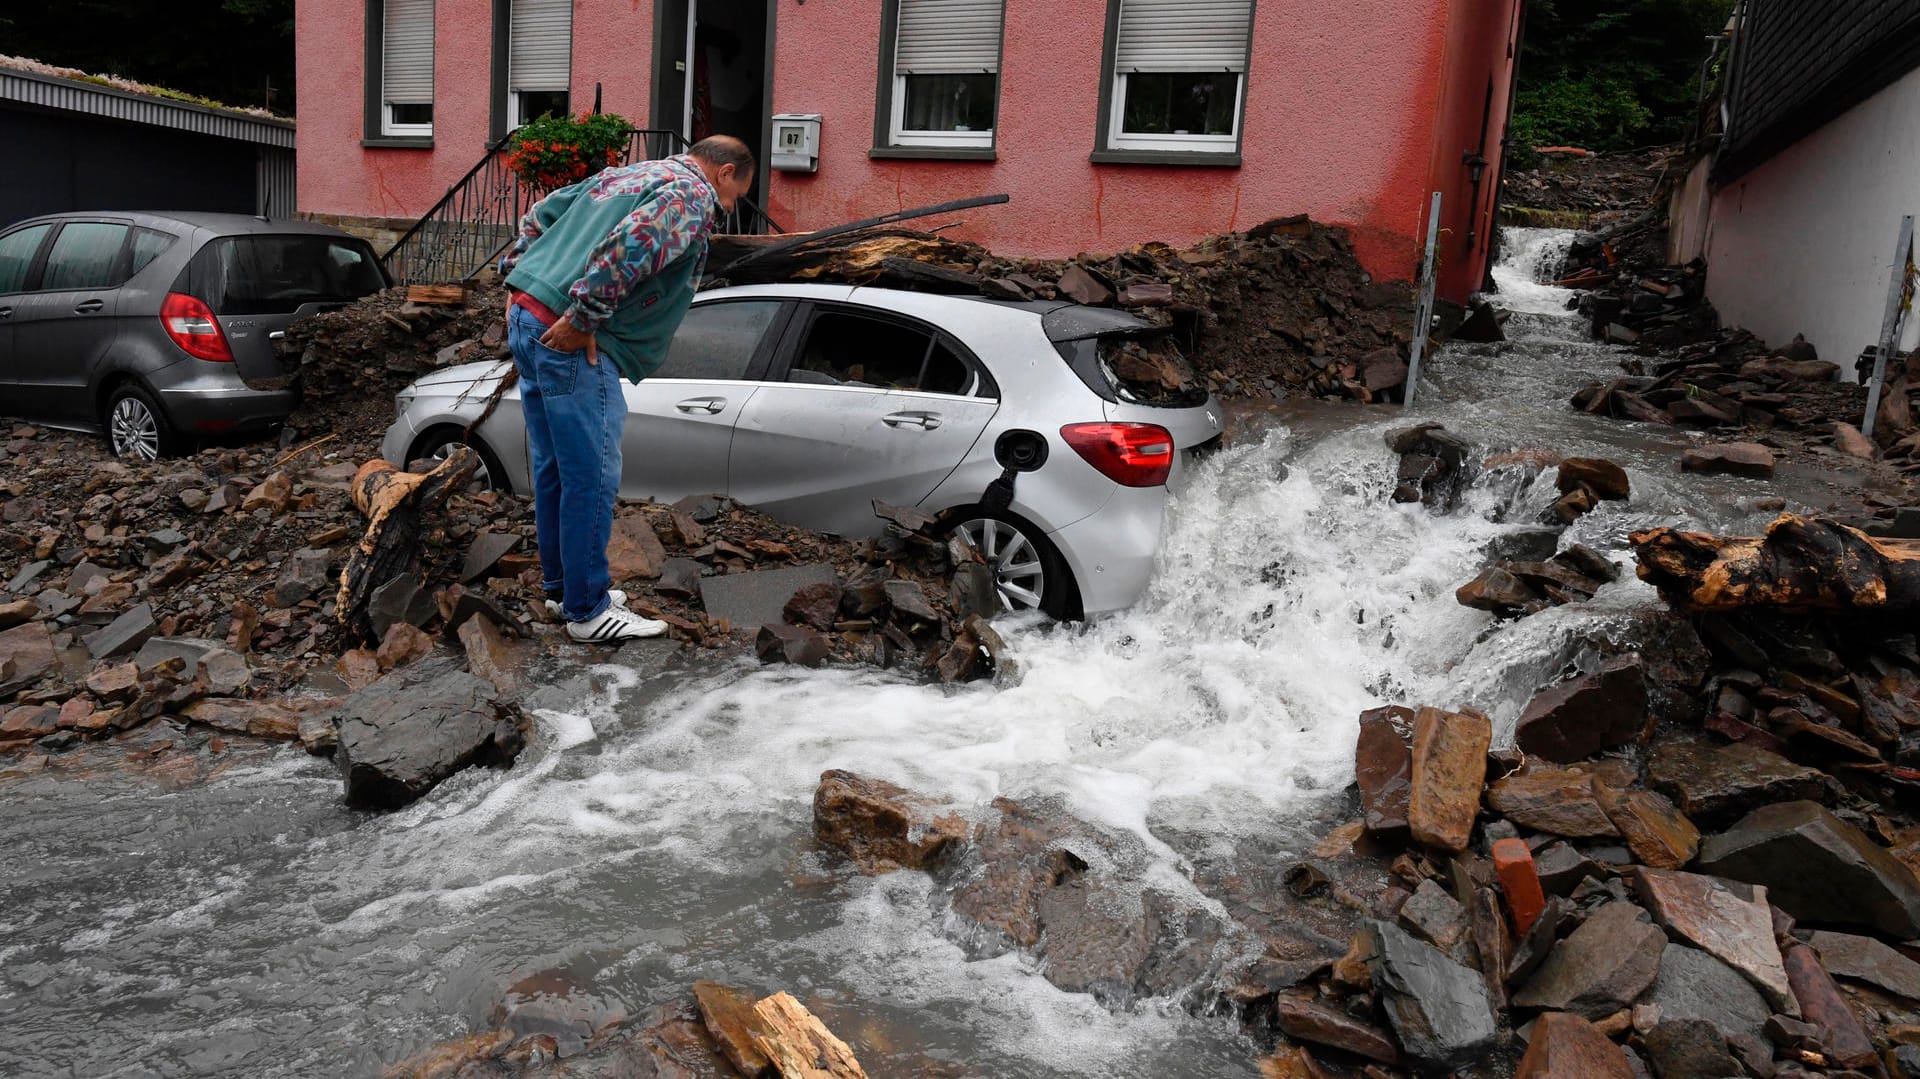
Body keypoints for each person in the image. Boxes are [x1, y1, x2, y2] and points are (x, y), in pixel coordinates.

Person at [500, 135, 756, 644]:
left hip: (531, 323)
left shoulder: (625, 175)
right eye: (733, 197)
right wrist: (584, 318)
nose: (725, 209)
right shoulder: (689, 193)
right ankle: (589, 612)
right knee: (592, 474)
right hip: (569, 340)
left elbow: (540, 215)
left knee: (555, 466)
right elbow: (630, 248)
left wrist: (517, 282)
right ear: (724, 172)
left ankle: (562, 588)